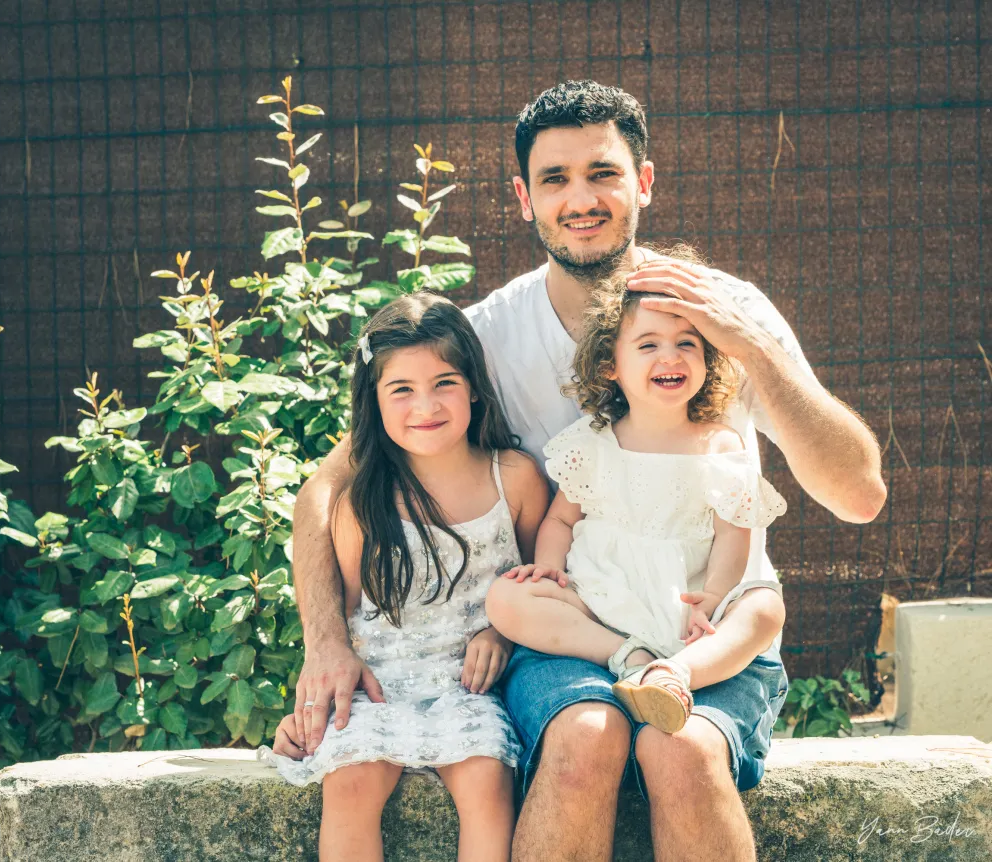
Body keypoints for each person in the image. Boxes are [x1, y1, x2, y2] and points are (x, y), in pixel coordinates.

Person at [289, 80, 887, 862]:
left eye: (603, 173)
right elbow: (327, 487)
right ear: (523, 198)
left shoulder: (718, 314)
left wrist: (752, 348)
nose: (581, 199)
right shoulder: (486, 339)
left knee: (683, 751)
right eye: (555, 179)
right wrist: (327, 643)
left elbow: (859, 495)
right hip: (573, 628)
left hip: (706, 627)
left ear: (644, 182)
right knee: (585, 736)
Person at [259, 293, 549, 862]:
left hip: (470, 689)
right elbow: (348, 620)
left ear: (474, 386)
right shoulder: (361, 501)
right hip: (378, 688)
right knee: (351, 782)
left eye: (444, 383)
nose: (426, 405)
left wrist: (503, 633)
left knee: (487, 778)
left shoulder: (514, 479)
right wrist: (312, 710)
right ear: (373, 399)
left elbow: (542, 582)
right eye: (401, 390)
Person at [485, 267, 789, 736]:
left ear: (706, 360)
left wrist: (713, 596)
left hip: (687, 607)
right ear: (611, 365)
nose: (671, 356)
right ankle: (630, 657)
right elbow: (561, 521)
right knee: (506, 598)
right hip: (599, 603)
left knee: (765, 608)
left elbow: (734, 534)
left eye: (687, 343)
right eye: (648, 345)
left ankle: (678, 674)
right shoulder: (591, 442)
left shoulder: (720, 445)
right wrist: (548, 568)